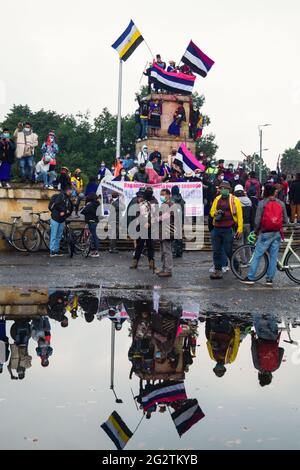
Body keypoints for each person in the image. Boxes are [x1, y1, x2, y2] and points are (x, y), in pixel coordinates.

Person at [242, 184, 288, 286]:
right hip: (277, 233)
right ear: (274, 192)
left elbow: (257, 221)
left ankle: (250, 277)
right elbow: (285, 219)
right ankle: (269, 279)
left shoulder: (262, 203)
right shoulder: (281, 203)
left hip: (265, 233)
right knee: (273, 256)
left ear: (265, 192)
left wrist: (255, 231)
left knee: (257, 255)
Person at [210, 181, 243, 280]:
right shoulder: (217, 199)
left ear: (229, 190)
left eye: (225, 188)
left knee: (229, 250)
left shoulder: (235, 200)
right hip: (217, 228)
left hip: (228, 228)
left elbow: (240, 216)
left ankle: (236, 267)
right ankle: (218, 271)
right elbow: (211, 212)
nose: (223, 190)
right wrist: (215, 213)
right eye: (222, 188)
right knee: (216, 251)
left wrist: (240, 229)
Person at [251, 314, 284, 387]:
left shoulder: (275, 367)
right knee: (257, 316)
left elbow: (281, 350)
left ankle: (271, 312)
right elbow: (254, 350)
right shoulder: (257, 366)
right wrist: (252, 338)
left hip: (273, 338)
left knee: (271, 317)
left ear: (269, 377)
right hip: (261, 337)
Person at [130, 190, 155, 271]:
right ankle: (150, 263)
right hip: (146, 226)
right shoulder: (151, 203)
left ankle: (136, 262)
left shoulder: (145, 203)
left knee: (142, 245)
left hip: (144, 226)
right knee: (148, 245)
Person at [48, 184, 73, 257]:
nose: (71, 192)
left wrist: (65, 212)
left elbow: (69, 208)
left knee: (58, 236)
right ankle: (52, 251)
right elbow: (56, 204)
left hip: (61, 220)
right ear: (68, 190)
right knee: (54, 235)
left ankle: (56, 250)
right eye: (71, 190)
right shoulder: (61, 196)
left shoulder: (67, 198)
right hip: (55, 218)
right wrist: (63, 210)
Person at [157, 189, 174, 277]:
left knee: (167, 251)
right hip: (162, 230)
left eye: (163, 194)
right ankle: (164, 268)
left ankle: (168, 269)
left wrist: (158, 218)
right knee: (163, 251)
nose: (162, 196)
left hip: (168, 230)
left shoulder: (171, 204)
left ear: (168, 195)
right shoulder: (163, 204)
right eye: (161, 194)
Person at [81, 193, 101, 258]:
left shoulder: (90, 205)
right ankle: (94, 250)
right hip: (95, 221)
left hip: (91, 222)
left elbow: (83, 211)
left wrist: (86, 206)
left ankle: (96, 251)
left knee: (94, 237)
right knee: (94, 236)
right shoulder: (97, 204)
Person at [171, 186, 185, 258]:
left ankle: (173, 252)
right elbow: (183, 212)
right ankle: (179, 252)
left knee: (173, 237)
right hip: (180, 220)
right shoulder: (182, 200)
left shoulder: (171, 200)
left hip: (172, 221)